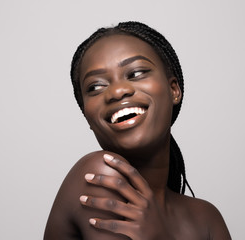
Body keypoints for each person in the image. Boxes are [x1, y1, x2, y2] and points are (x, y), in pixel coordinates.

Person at [44, 21, 231, 240]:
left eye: (136, 73)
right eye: (95, 86)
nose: (117, 91)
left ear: (174, 90)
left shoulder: (206, 217)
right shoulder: (100, 177)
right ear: (87, 115)